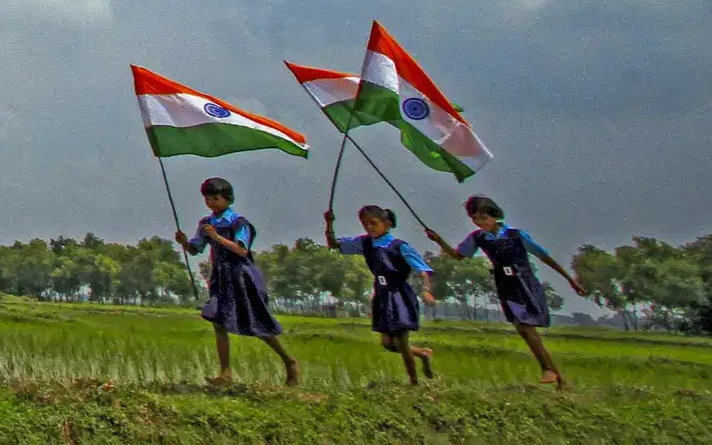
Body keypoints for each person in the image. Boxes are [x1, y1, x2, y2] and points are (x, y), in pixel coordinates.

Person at [426, 195, 586, 388]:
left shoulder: (515, 235)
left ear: (494, 215)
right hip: (505, 283)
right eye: (475, 219)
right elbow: (458, 255)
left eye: (483, 218)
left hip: (524, 281)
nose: (480, 223)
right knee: (524, 330)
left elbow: (543, 256)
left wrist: (570, 280)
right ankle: (559, 378)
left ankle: (548, 369)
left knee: (526, 327)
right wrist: (438, 240)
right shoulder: (478, 238)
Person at [176, 177, 300, 387]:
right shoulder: (206, 223)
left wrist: (217, 237)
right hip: (220, 276)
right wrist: (184, 242)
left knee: (256, 323)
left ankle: (289, 361)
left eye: (215, 199)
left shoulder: (239, 222)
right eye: (207, 199)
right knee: (217, 320)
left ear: (227, 199)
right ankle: (225, 373)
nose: (211, 203)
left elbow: (242, 250)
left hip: (242, 276)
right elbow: (196, 249)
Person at [325, 204, 436, 384]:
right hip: (382, 295)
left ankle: (414, 381)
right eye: (365, 224)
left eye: (373, 223)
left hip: (399, 295)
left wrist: (426, 291)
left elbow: (424, 271)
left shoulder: (400, 246)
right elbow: (334, 245)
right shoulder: (364, 243)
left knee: (402, 340)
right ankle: (423, 353)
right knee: (387, 344)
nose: (369, 227)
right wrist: (329, 224)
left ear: (387, 223)